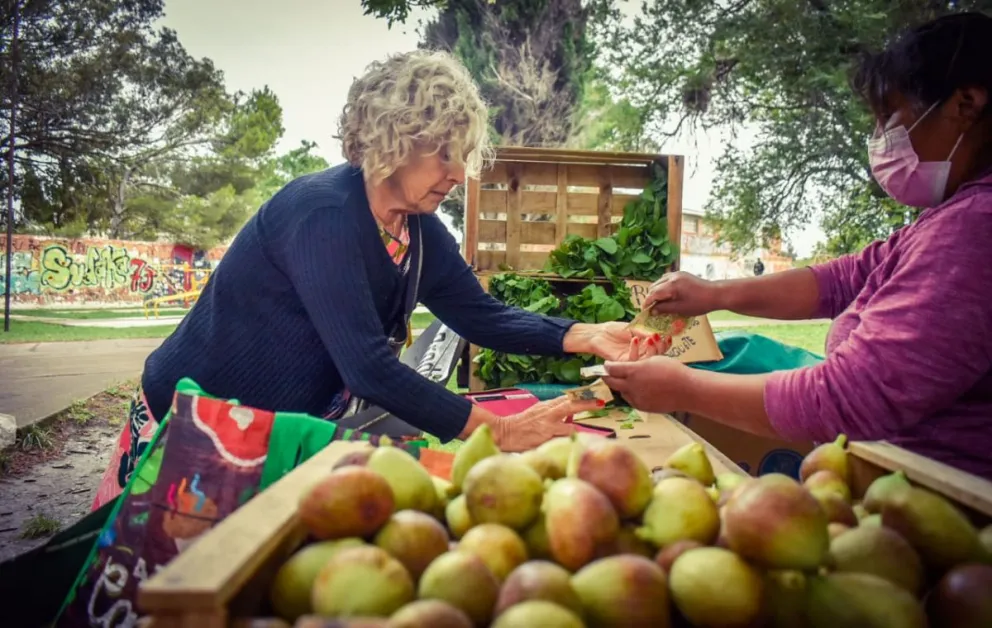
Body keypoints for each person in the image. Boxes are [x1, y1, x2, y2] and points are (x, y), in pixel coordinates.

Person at [94, 50, 655, 508]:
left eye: (462, 157)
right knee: (162, 581)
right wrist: (499, 431)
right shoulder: (322, 214)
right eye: (443, 155)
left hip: (275, 426)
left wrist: (583, 334)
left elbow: (478, 315)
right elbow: (367, 367)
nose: (459, 174)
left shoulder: (416, 228)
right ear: (395, 138)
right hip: (198, 417)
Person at [603, 12, 992, 480]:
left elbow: (851, 395)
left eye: (890, 116)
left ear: (966, 103)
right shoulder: (950, 216)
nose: (881, 138)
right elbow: (844, 280)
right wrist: (715, 294)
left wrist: (683, 388)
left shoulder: (975, 229)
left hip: (950, 505)